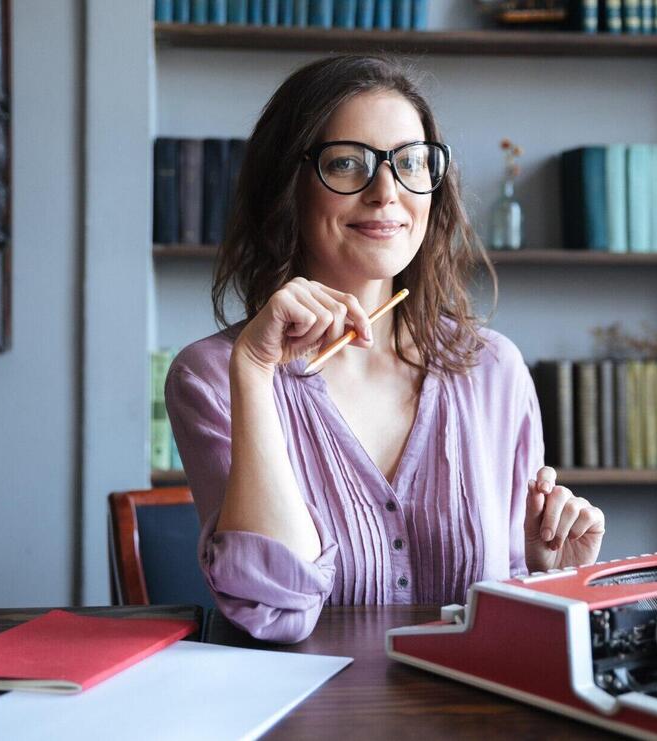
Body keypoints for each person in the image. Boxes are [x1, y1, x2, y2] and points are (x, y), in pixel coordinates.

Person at [166, 55, 606, 643]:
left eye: (410, 163)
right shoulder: (214, 375)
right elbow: (274, 612)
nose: (386, 192)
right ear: (287, 187)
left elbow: (508, 617)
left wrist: (553, 580)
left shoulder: (495, 370)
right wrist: (254, 369)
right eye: (347, 163)